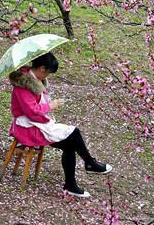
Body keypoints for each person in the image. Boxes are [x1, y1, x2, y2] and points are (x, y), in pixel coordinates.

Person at [8, 52, 112, 198]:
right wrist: (51, 106)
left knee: (70, 143)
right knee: (74, 133)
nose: (47, 77)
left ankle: (72, 183)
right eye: (48, 73)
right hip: (28, 128)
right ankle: (88, 164)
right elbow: (32, 111)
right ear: (42, 68)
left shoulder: (33, 79)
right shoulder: (23, 85)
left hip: (36, 123)